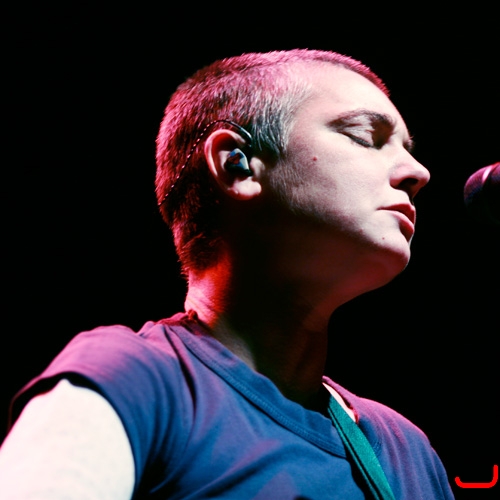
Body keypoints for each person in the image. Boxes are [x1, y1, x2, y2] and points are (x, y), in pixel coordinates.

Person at [0, 49, 455, 499]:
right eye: (365, 135)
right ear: (236, 164)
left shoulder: (408, 452)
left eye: (407, 149)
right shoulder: (136, 381)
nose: (417, 172)